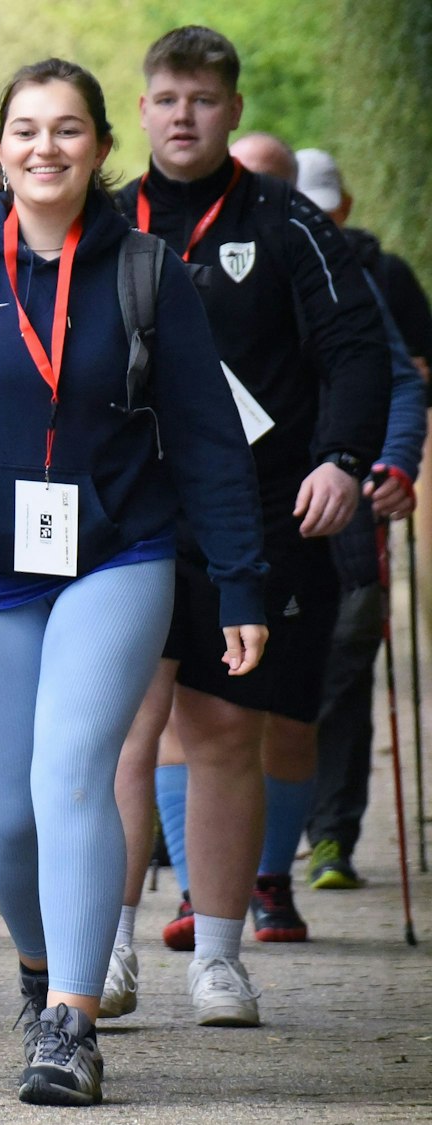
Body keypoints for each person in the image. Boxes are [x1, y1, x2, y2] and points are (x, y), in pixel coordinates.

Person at [0, 57, 268, 1106]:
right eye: (23, 130)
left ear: (98, 145)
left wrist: (237, 583)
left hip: (119, 556)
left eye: (66, 131)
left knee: (68, 777)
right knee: (5, 822)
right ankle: (43, 967)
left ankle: (70, 1024)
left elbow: (206, 439)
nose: (42, 148)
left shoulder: (145, 270)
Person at [107, 27, 390, 1026]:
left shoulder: (282, 220)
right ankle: (103, 945)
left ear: (229, 112)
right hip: (127, 515)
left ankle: (217, 957)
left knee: (225, 729)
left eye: (201, 98)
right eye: (165, 97)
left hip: (253, 517)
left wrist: (341, 460)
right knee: (122, 733)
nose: (181, 114)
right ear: (139, 111)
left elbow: (357, 351)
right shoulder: (104, 222)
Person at [284, 145, 427, 889]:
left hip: (346, 510)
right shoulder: (191, 259)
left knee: (342, 662)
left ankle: (331, 832)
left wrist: (393, 464)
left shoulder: (375, 277)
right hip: (232, 512)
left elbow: (405, 379)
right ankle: (242, 855)